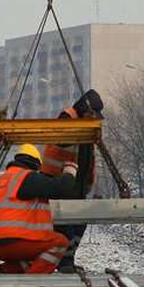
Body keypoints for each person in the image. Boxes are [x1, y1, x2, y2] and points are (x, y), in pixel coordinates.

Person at [0, 144, 81, 274]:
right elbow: (62, 188)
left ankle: (7, 270)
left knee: (33, 253)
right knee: (60, 241)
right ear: (35, 165)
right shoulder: (26, 178)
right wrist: (70, 171)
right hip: (17, 242)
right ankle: (35, 276)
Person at [39, 89, 103, 272]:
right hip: (61, 182)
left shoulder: (87, 124)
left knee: (79, 224)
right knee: (64, 224)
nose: (94, 118)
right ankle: (63, 262)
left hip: (78, 186)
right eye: (92, 114)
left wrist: (88, 183)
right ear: (85, 109)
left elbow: (89, 157)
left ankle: (68, 259)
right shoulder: (67, 117)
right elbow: (62, 141)